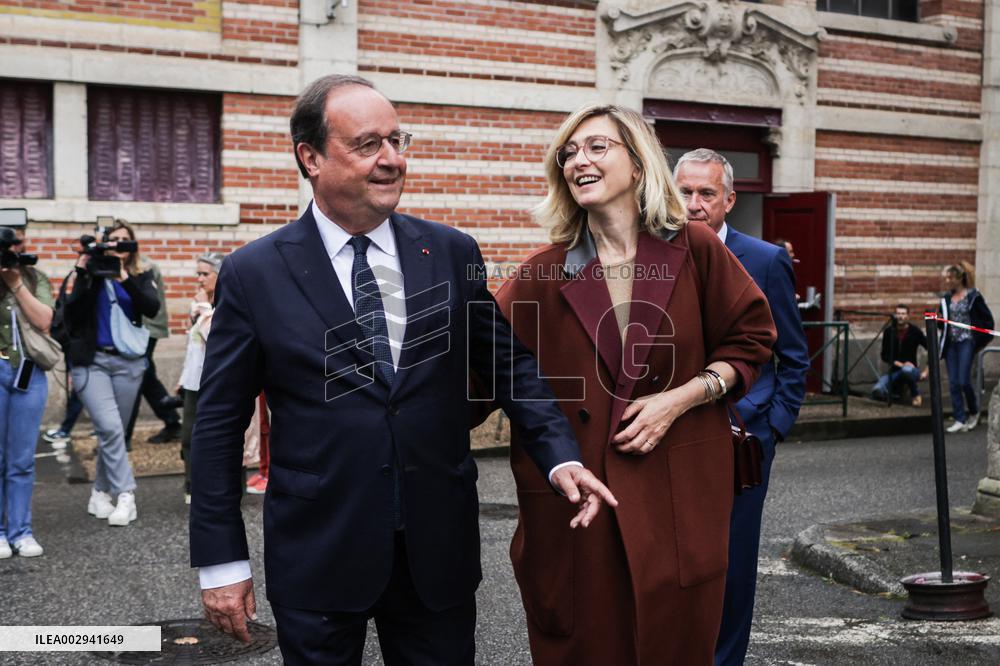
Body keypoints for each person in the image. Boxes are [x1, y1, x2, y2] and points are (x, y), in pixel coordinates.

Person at [189, 74, 617, 665]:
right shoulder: (254, 273)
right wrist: (221, 561)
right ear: (309, 158)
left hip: (435, 552)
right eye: (368, 145)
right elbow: (215, 426)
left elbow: (509, 366)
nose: (392, 159)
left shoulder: (450, 252)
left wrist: (560, 454)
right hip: (319, 552)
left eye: (398, 140)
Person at [472, 106, 775, 664]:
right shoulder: (541, 274)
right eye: (568, 152)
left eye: (596, 147)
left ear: (637, 165)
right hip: (581, 513)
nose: (578, 160)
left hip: (677, 503)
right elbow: (479, 374)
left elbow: (750, 341)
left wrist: (682, 398)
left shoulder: (696, 248)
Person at [673, 148, 809, 666]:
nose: (693, 204)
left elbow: (793, 356)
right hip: (674, 434)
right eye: (684, 192)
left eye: (706, 193)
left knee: (732, 564)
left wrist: (773, 425)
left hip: (744, 439)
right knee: (678, 558)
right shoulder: (654, 254)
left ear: (729, 199)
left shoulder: (767, 260)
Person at [63, 220, 160, 526]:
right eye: (112, 240)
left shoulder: (142, 274)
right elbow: (71, 313)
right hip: (93, 363)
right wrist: (85, 269)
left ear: (132, 245)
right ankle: (127, 495)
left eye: (124, 240)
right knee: (111, 428)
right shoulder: (90, 273)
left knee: (113, 430)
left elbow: (151, 308)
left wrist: (123, 277)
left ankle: (100, 491)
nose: (118, 245)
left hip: (129, 363)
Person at [0, 217, 54, 558]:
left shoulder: (34, 277)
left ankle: (21, 530)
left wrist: (17, 283)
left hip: (27, 372)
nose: (12, 250)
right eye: (6, 245)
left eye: (18, 243)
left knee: (21, 459)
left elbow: (45, 321)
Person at [177, 252, 224, 504]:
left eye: (205, 274)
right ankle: (191, 486)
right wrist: (182, 377)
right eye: (198, 274)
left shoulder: (226, 303)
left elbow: (215, 336)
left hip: (218, 382)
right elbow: (192, 345)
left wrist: (205, 308)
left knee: (220, 437)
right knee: (188, 437)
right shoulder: (197, 305)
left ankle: (225, 487)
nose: (200, 279)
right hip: (194, 380)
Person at [124, 253, 182, 445]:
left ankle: (124, 437)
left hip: (146, 330)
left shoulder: (144, 266)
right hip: (133, 331)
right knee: (146, 376)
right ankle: (172, 421)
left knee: (137, 377)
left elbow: (149, 304)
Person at [940, 261, 994, 432]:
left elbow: (987, 321)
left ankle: (974, 411)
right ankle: (959, 418)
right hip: (951, 344)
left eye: (950, 277)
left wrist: (977, 340)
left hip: (966, 342)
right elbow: (943, 321)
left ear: (958, 278)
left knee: (964, 380)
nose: (947, 281)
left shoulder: (973, 296)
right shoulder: (946, 299)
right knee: (954, 382)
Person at [872, 304, 928, 406]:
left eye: (903, 314)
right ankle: (896, 395)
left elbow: (931, 349)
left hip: (912, 371)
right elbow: (884, 355)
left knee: (906, 370)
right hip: (894, 372)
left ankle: (915, 394)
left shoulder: (914, 331)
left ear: (908, 316)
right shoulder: (889, 331)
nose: (900, 316)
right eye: (898, 314)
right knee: (876, 390)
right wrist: (900, 364)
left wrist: (926, 371)